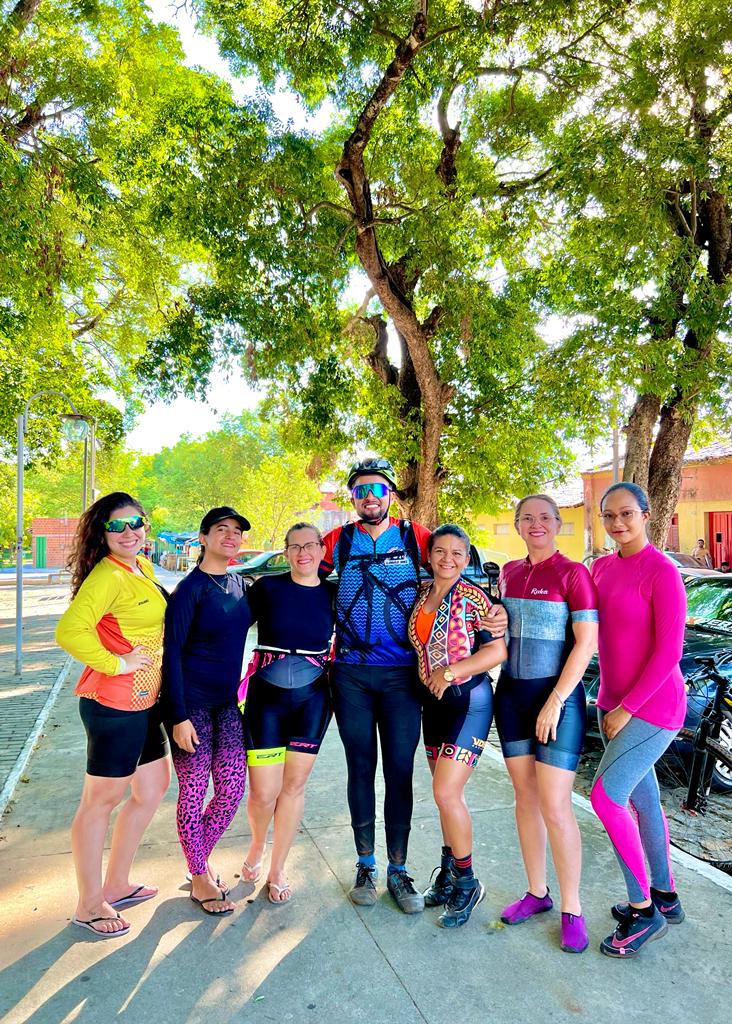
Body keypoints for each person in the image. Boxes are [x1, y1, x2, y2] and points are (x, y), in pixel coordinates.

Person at [321, 457, 508, 913]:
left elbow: (460, 569)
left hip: (404, 677)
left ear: (391, 495)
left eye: (379, 490)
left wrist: (497, 612)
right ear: (352, 497)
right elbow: (304, 576)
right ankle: (365, 864)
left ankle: (398, 870)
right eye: (361, 490)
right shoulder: (336, 540)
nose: (370, 497)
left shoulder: (415, 537)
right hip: (350, 675)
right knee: (360, 768)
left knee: (400, 772)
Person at [56, 492, 171, 938]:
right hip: (113, 705)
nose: (129, 533)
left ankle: (117, 882)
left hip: (145, 704)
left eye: (136, 522)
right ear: (102, 535)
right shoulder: (107, 575)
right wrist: (115, 663)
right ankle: (88, 904)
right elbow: (70, 630)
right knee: (99, 803)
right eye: (117, 526)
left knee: (152, 787)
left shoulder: (138, 567)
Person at [495, 494, 598, 954]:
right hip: (512, 698)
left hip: (558, 701)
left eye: (544, 518)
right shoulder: (509, 572)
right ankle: (537, 893)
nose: (536, 525)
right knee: (525, 798)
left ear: (558, 524)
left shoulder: (574, 573)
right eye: (527, 519)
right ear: (517, 526)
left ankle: (572, 908)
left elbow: (585, 644)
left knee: (556, 806)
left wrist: (556, 700)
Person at [590, 482, 686, 958]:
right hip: (613, 703)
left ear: (647, 515)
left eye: (627, 514)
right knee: (644, 802)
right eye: (609, 516)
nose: (618, 524)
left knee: (606, 798)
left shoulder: (663, 571)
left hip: (653, 707)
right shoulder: (603, 567)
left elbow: (670, 651)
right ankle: (665, 897)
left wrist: (627, 708)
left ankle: (642, 909)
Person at [408, 524, 507, 927]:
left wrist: (450, 672)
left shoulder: (475, 597)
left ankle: (468, 882)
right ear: (429, 555)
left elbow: (496, 650)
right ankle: (449, 874)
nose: (448, 559)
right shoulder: (420, 595)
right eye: (440, 551)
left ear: (468, 560)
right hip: (434, 707)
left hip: (470, 702)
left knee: (447, 792)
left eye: (457, 553)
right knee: (443, 797)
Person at [162, 506, 252, 916]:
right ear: (203, 538)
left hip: (226, 705)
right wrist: (178, 716)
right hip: (190, 707)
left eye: (236, 531)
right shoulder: (189, 590)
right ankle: (199, 876)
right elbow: (172, 654)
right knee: (195, 790)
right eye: (221, 530)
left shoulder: (239, 584)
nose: (230, 536)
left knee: (232, 790)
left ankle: (197, 859)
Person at [240, 523, 335, 903]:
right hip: (267, 698)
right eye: (294, 547)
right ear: (285, 552)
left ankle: (277, 868)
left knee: (294, 788)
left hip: (313, 700)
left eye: (310, 546)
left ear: (321, 549)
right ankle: (257, 846)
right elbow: (225, 627)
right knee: (264, 793)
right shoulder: (266, 588)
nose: (302, 554)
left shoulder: (333, 593)